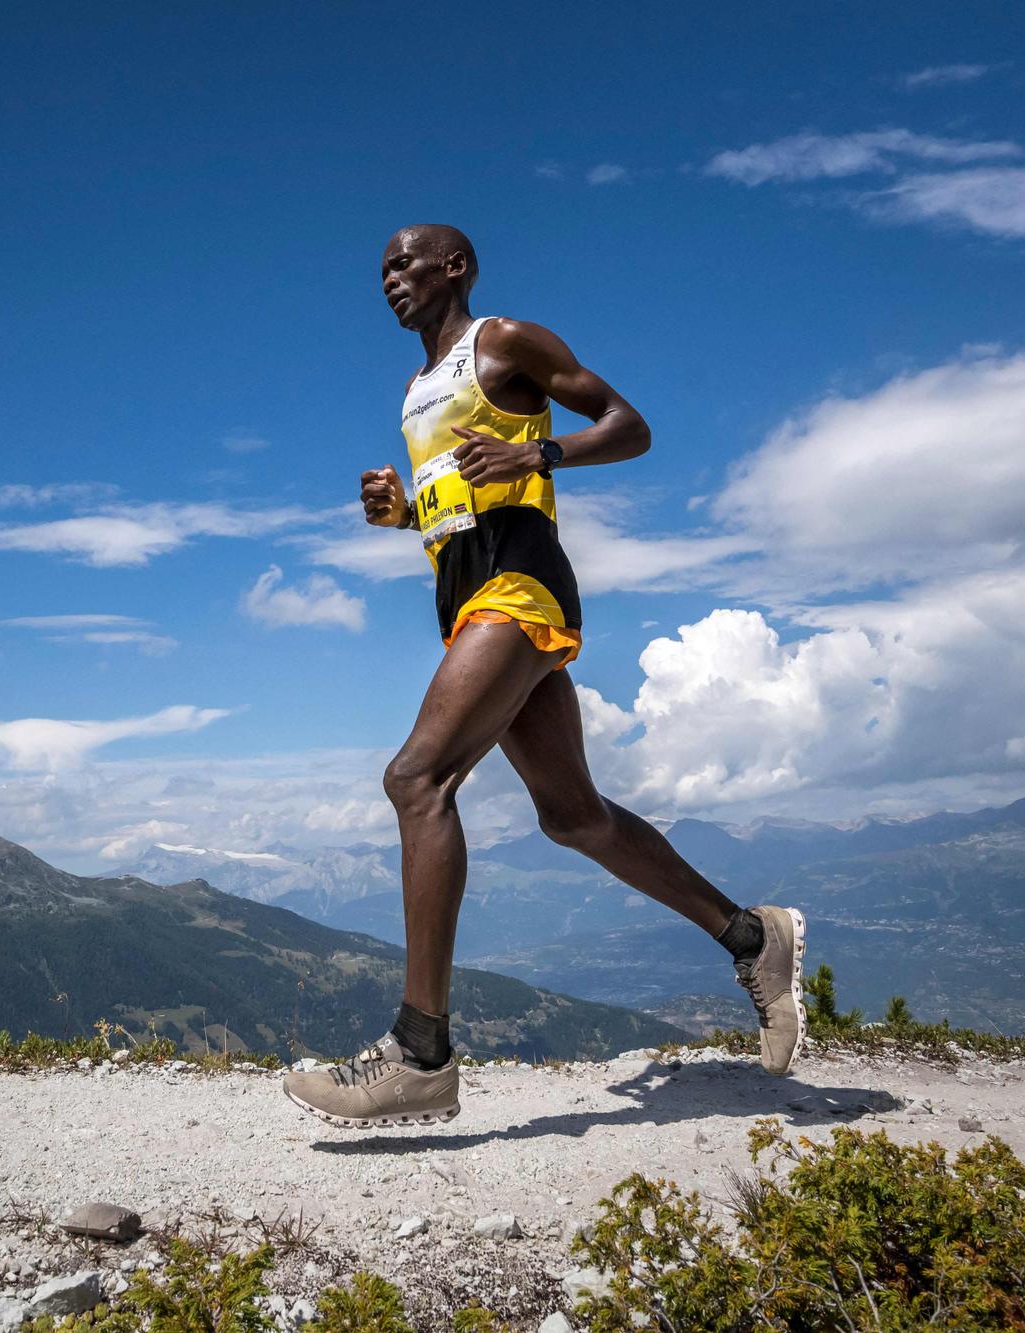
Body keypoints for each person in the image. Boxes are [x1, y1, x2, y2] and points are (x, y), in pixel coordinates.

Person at [282, 225, 805, 1129]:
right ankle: (752, 936)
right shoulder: (415, 391)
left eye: (405, 263)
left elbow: (629, 426)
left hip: (519, 590)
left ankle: (420, 1052)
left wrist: (541, 452)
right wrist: (407, 514)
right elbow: (466, 508)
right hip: (470, 599)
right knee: (573, 816)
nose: (389, 279)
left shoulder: (504, 344)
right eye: (379, 271)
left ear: (456, 267)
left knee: (416, 779)